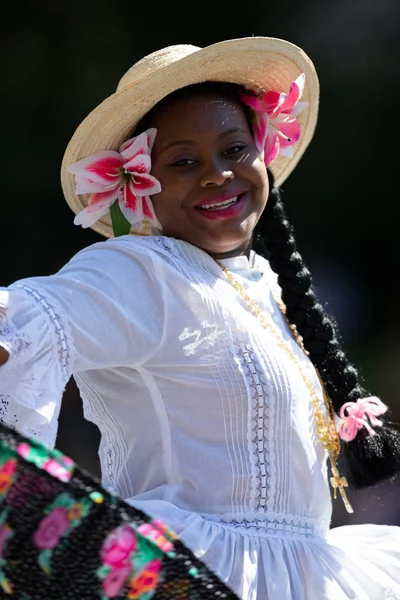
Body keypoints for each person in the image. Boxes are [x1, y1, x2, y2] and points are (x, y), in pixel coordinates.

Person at [1, 36, 400, 600]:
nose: (217, 175)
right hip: (192, 576)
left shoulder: (264, 284)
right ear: (140, 187)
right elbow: (20, 325)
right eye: (184, 161)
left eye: (234, 150)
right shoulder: (142, 271)